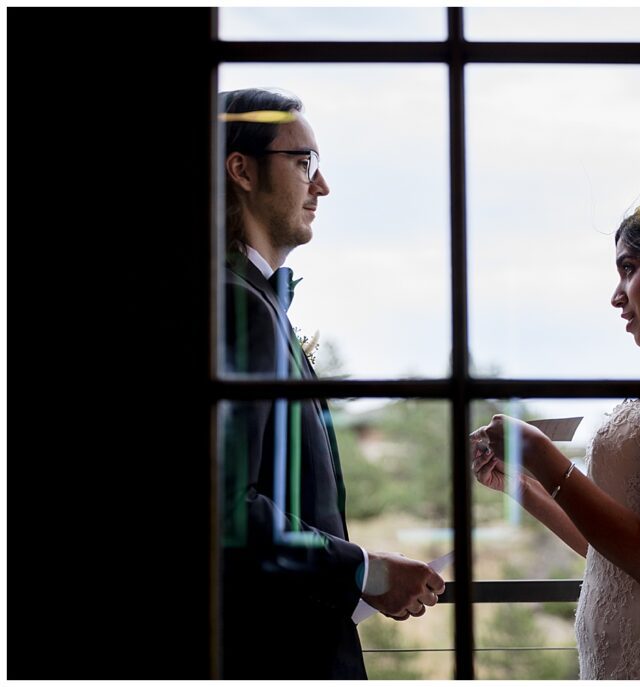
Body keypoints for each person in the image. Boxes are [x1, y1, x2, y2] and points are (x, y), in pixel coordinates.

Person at [219, 88, 445, 679]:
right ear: (242, 170)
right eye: (304, 163)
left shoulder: (253, 302)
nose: (322, 186)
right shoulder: (235, 306)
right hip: (273, 656)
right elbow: (225, 508)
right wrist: (364, 569)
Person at [470, 187, 640, 679]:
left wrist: (539, 451)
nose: (616, 296)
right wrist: (524, 484)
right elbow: (611, 553)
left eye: (628, 268)